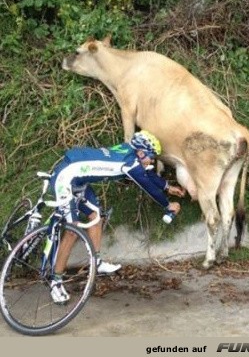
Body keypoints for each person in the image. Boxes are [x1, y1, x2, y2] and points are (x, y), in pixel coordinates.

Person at [49, 130, 185, 304]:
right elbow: (147, 186)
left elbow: (147, 173)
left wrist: (167, 186)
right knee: (72, 230)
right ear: (141, 153)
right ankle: (56, 282)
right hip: (66, 177)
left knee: (96, 215)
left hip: (79, 180)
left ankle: (95, 262)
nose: (152, 161)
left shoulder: (129, 150)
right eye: (151, 157)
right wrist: (167, 205)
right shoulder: (129, 163)